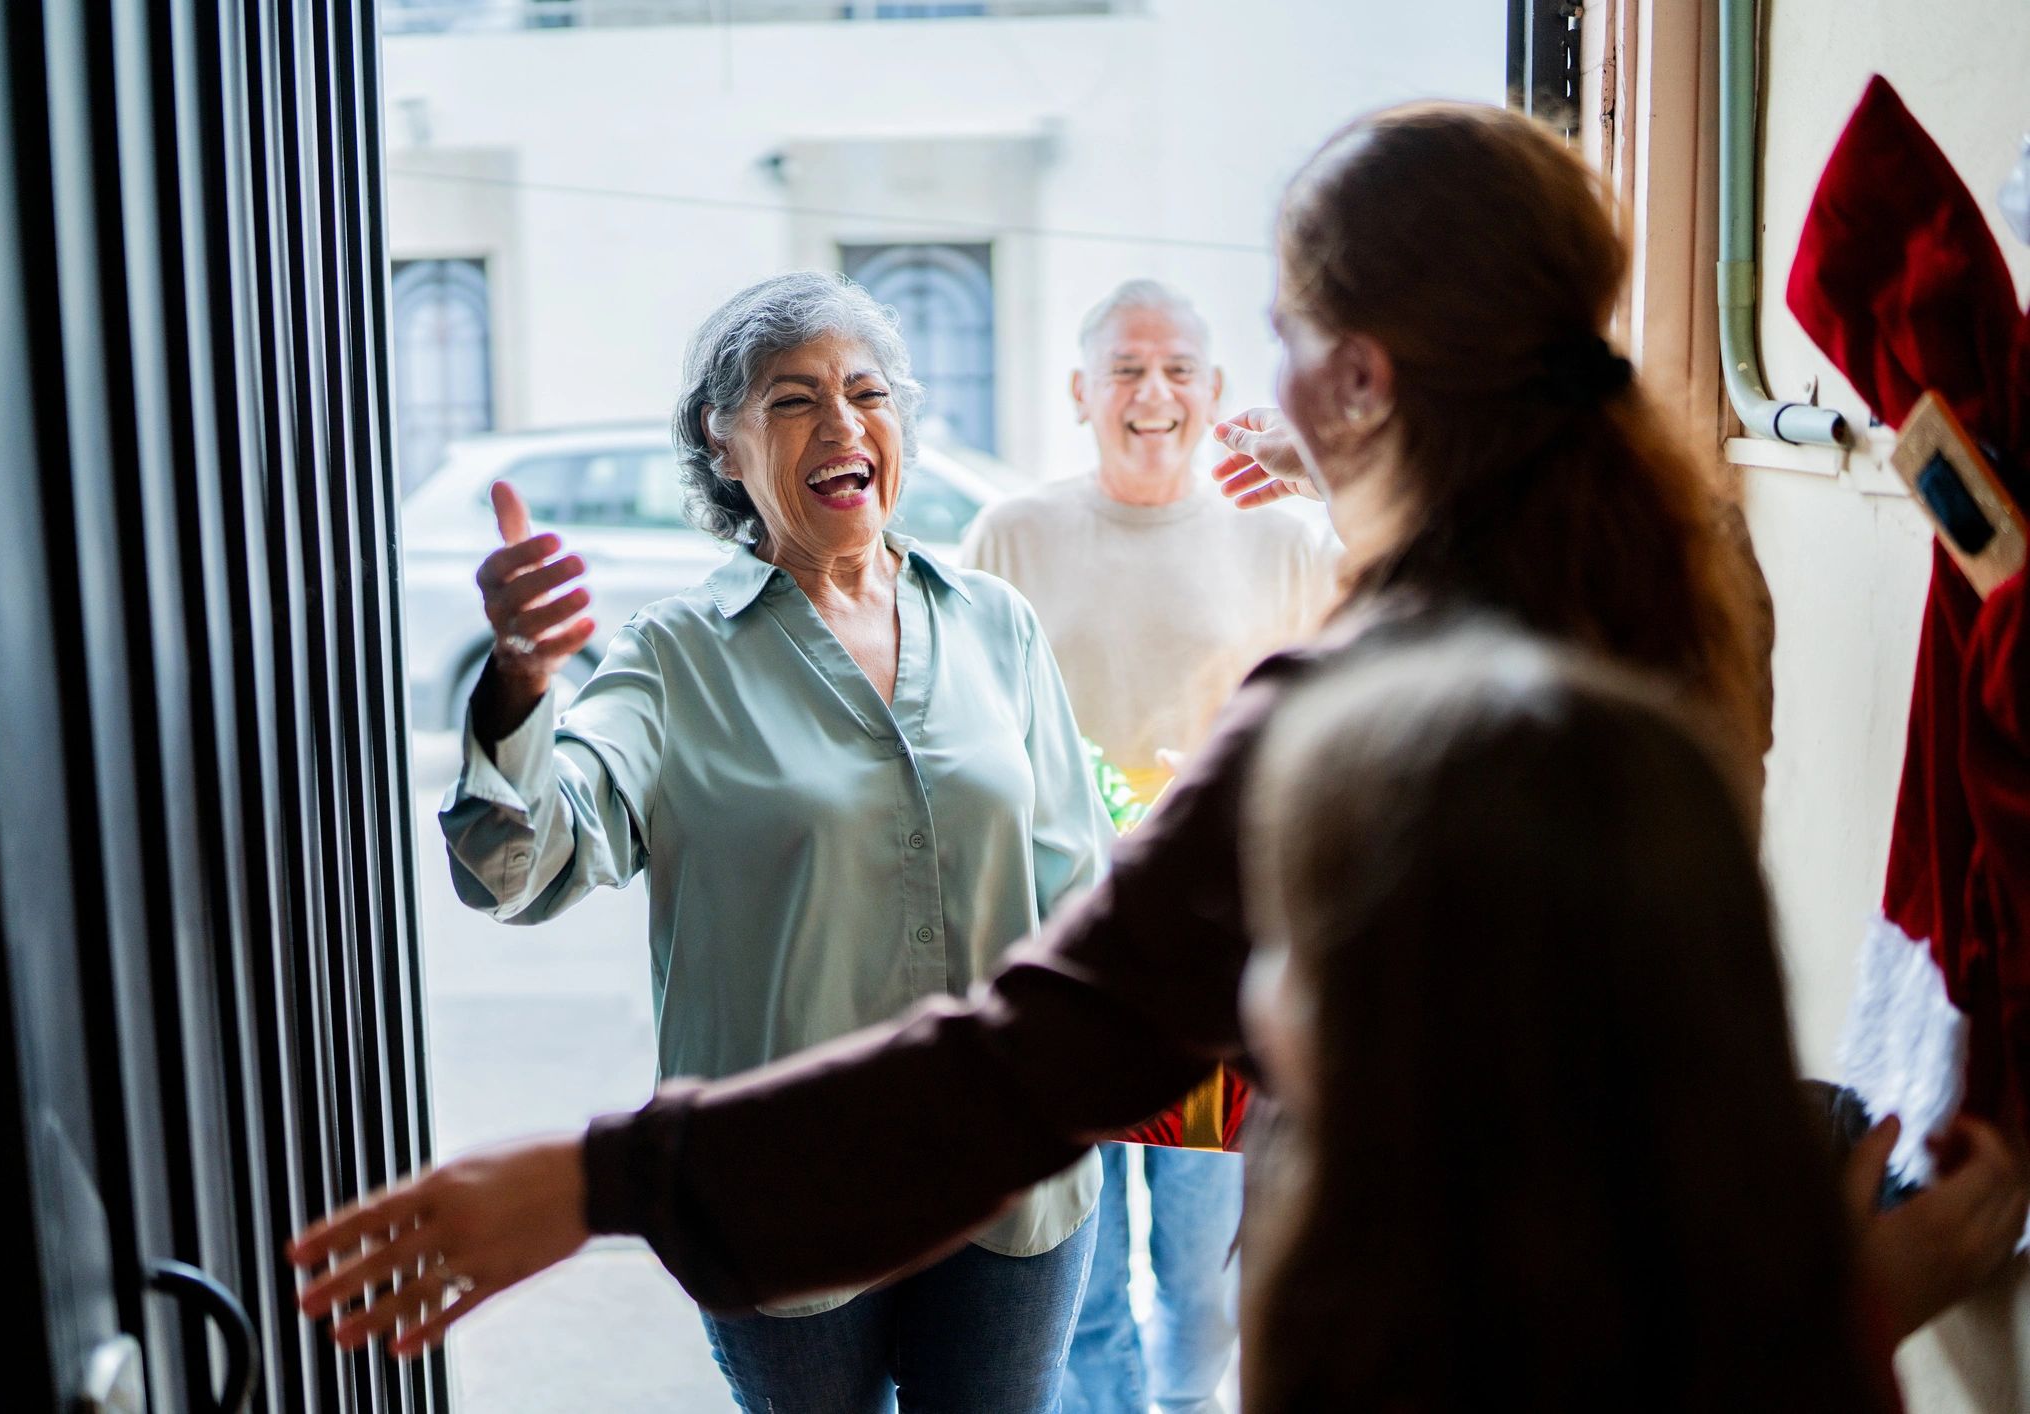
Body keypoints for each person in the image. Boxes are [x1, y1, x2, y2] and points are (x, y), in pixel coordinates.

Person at [288, 102, 2027, 1374]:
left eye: (1264, 342)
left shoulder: (1340, 718)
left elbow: (1025, 1052)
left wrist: (597, 1176)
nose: (1221, 398)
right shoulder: (1695, 600)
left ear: (1351, 377)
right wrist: (1847, 1297)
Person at [403, 270, 1112, 1412]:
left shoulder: (994, 624)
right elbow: (515, 868)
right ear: (721, 446)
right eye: (792, 401)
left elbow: (1079, 892)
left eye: (865, 392)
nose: (841, 425)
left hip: (1008, 1179)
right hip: (783, 1188)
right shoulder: (675, 657)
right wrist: (520, 683)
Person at [1237, 627, 1894, 1411]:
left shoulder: (1362, 1322)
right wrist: (1855, 1314)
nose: (1255, 984)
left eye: (1290, 940)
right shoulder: (1743, 1284)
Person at [961, 278, 1330, 1414]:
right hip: (1060, 951)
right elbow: (962, 726)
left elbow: (1334, 726)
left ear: (1216, 391)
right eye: (1125, 369)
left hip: (1220, 972)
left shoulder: (1279, 539)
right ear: (1079, 392)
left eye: (1177, 370)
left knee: (1201, 1264)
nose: (1152, 394)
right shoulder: (1009, 534)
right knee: (1072, 1275)